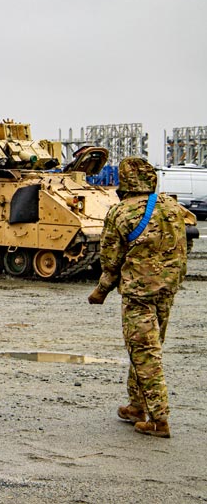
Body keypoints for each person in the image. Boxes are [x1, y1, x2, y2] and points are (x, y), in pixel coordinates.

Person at [89, 157, 192, 438]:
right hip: (167, 290)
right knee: (147, 345)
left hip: (139, 294)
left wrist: (101, 290)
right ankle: (137, 406)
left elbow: (110, 259)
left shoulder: (121, 212)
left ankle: (159, 419)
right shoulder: (172, 206)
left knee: (145, 353)